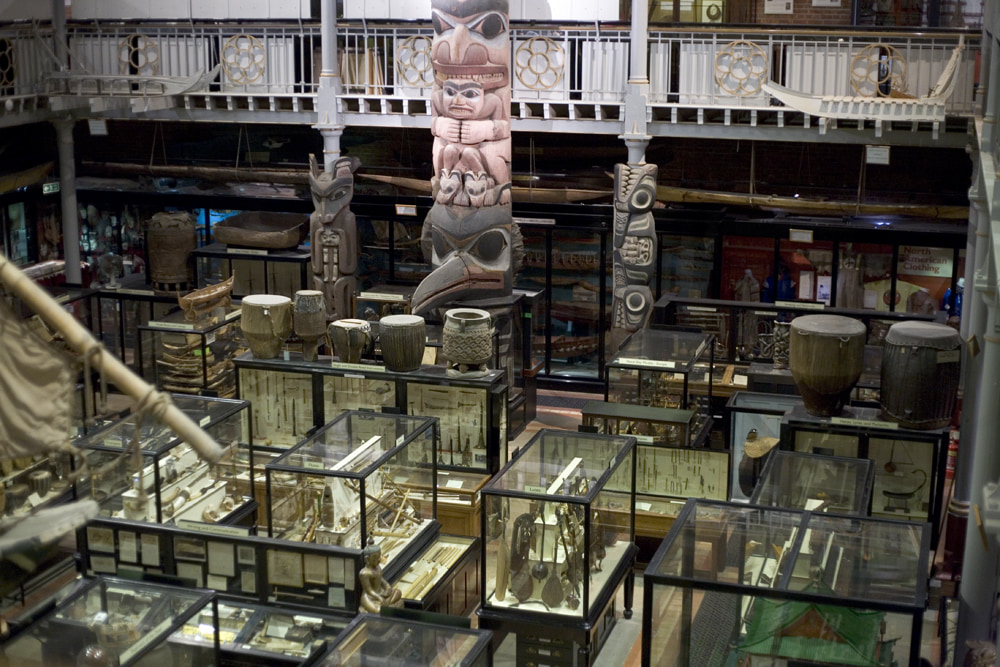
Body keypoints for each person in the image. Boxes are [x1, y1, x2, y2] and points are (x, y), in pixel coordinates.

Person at [359, 536, 402, 613]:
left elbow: (381, 580)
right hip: (371, 597)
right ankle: (385, 604)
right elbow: (369, 590)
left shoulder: (378, 567)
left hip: (381, 593)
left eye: (379, 556)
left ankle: (386, 604)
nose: (379, 560)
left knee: (398, 592)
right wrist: (378, 597)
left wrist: (387, 587)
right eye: (375, 558)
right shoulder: (364, 573)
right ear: (367, 559)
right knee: (379, 611)